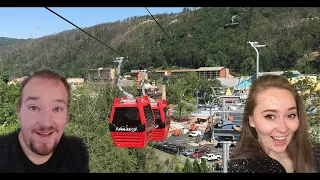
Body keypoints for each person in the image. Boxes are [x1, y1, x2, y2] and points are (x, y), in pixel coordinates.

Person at [0, 69, 90, 173]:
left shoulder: (77, 153)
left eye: (57, 109)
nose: (45, 123)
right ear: (19, 111)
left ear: (67, 115)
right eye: (33, 107)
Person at [228, 74, 320, 173]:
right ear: (251, 120)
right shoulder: (244, 168)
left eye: (290, 115)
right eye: (270, 116)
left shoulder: (315, 157)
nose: (283, 128)